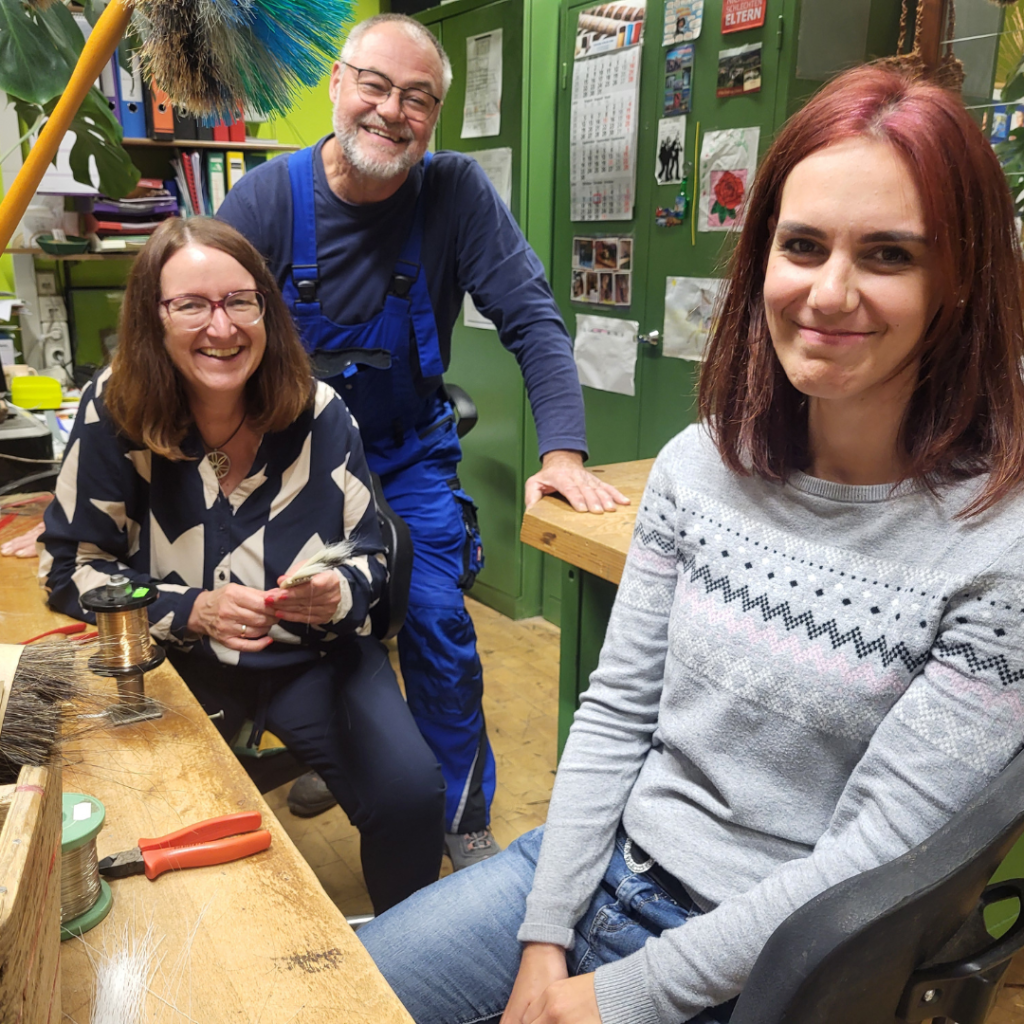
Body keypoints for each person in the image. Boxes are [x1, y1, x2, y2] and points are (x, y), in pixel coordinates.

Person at [357, 64, 1024, 1022]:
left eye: (888, 255)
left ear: (958, 282)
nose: (830, 292)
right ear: (762, 261)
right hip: (595, 875)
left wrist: (610, 999)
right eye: (803, 246)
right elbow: (620, 710)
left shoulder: (998, 549)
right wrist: (545, 943)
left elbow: (873, 857)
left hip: (778, 961)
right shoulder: (699, 466)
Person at [217, 12, 627, 868]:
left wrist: (563, 455)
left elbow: (535, 321)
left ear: (435, 115)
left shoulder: (453, 194)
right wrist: (117, 473)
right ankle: (349, 755)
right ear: (338, 83)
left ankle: (461, 815)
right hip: (287, 467)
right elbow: (183, 339)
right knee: (297, 617)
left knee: (438, 623)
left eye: (418, 98)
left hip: (405, 456)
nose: (390, 111)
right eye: (374, 84)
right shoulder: (263, 201)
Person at [38, 217, 445, 914]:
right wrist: (187, 609)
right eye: (191, 305)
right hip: (175, 663)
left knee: (412, 795)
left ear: (266, 311)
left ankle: (407, 971)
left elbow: (373, 554)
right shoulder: (117, 408)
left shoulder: (320, 411)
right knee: (150, 822)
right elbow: (73, 567)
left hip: (314, 657)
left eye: (239, 301)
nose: (220, 328)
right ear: (152, 319)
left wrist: (337, 592)